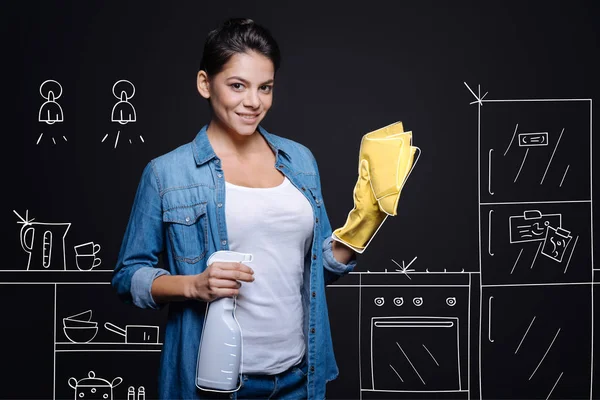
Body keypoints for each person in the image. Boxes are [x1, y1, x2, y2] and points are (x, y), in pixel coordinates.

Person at [112, 17, 358, 400]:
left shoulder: (300, 160)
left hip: (298, 378)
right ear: (205, 84)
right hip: (214, 383)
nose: (253, 102)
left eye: (265, 88)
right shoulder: (166, 173)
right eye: (237, 86)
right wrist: (194, 285)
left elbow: (320, 268)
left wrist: (368, 219)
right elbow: (128, 276)